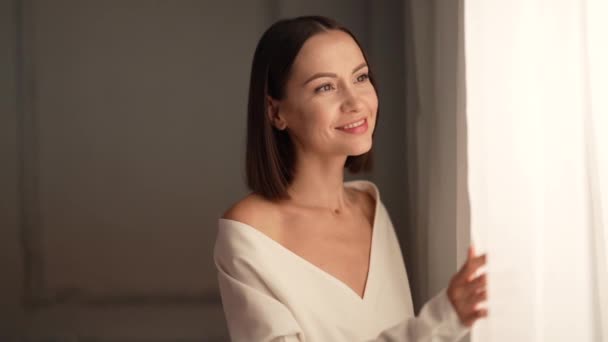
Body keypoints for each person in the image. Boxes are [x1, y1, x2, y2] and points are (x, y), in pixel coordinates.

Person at [213, 15, 487, 342]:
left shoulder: (372, 209)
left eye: (360, 77)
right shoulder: (250, 233)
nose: (355, 101)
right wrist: (443, 319)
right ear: (276, 112)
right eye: (325, 86)